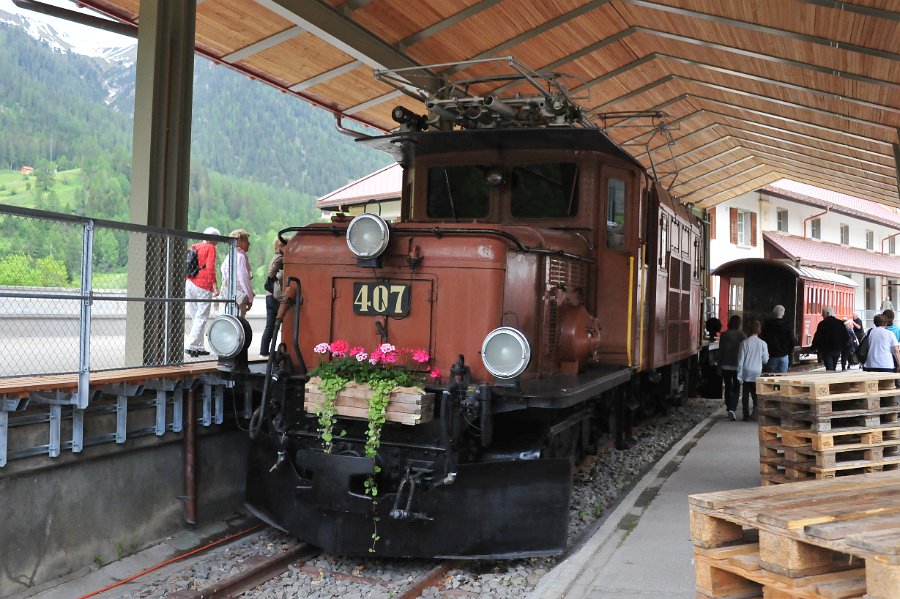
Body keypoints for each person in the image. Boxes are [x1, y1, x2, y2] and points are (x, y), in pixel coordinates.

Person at [185, 226, 220, 357]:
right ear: (214, 238)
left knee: (196, 317)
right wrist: (215, 287)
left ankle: (198, 347)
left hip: (189, 282)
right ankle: (191, 345)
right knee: (201, 317)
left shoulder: (194, 246)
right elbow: (210, 268)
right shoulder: (210, 248)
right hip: (203, 284)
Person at [737, 320, 769, 421]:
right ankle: (755, 414)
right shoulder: (763, 344)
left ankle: (745, 415)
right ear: (759, 330)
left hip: (746, 372)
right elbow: (765, 360)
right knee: (756, 395)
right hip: (757, 372)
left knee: (745, 395)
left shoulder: (744, 343)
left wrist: (739, 375)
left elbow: (740, 361)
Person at [260, 236, 285, 356]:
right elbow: (271, 273)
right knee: (283, 321)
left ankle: (264, 351)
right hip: (275, 296)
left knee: (270, 325)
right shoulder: (280, 258)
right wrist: (273, 278)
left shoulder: (275, 257)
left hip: (269, 296)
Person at [221, 229, 254, 318]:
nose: (249, 244)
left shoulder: (230, 255)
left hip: (228, 294)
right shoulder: (240, 257)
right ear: (239, 242)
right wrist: (250, 298)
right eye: (246, 241)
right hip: (239, 296)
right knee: (238, 322)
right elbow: (244, 278)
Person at [718, 315, 746, 421]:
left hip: (725, 365)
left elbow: (720, 352)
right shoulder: (742, 335)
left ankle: (729, 407)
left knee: (728, 387)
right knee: (737, 388)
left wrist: (719, 366)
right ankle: (732, 409)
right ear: (739, 324)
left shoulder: (724, 335)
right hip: (737, 366)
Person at [760, 305, 794, 373]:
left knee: (770, 379)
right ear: (783, 313)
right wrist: (789, 353)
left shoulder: (768, 325)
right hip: (784, 355)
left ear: (773, 313)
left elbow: (763, 339)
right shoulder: (787, 325)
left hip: (772, 356)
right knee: (782, 379)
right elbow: (791, 341)